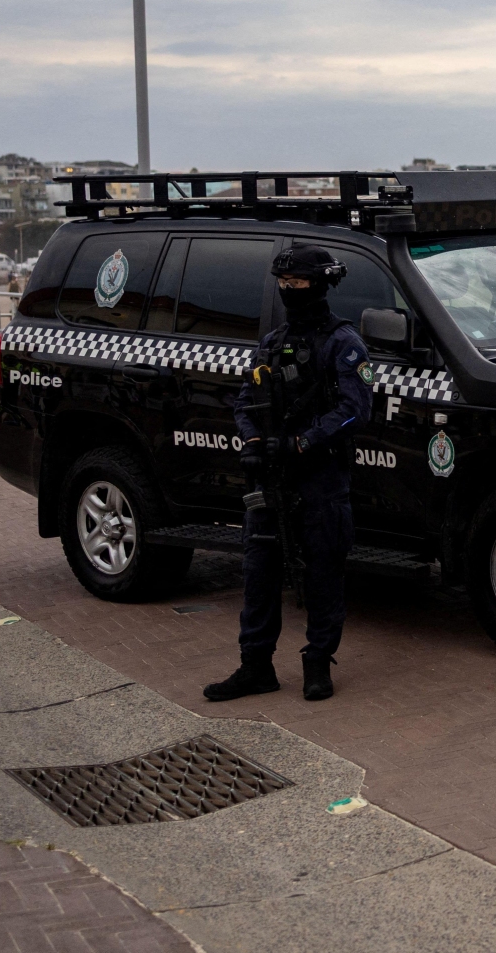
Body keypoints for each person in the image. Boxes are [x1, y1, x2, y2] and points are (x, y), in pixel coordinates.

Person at [204, 245, 372, 703]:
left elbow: (356, 410)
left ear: (318, 286)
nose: (289, 292)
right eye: (284, 285)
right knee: (259, 574)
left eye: (297, 285)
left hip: (320, 480)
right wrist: (255, 443)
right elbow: (244, 401)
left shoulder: (344, 343)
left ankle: (318, 663)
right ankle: (255, 667)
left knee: (321, 573)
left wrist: (302, 442)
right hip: (271, 480)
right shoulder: (272, 343)